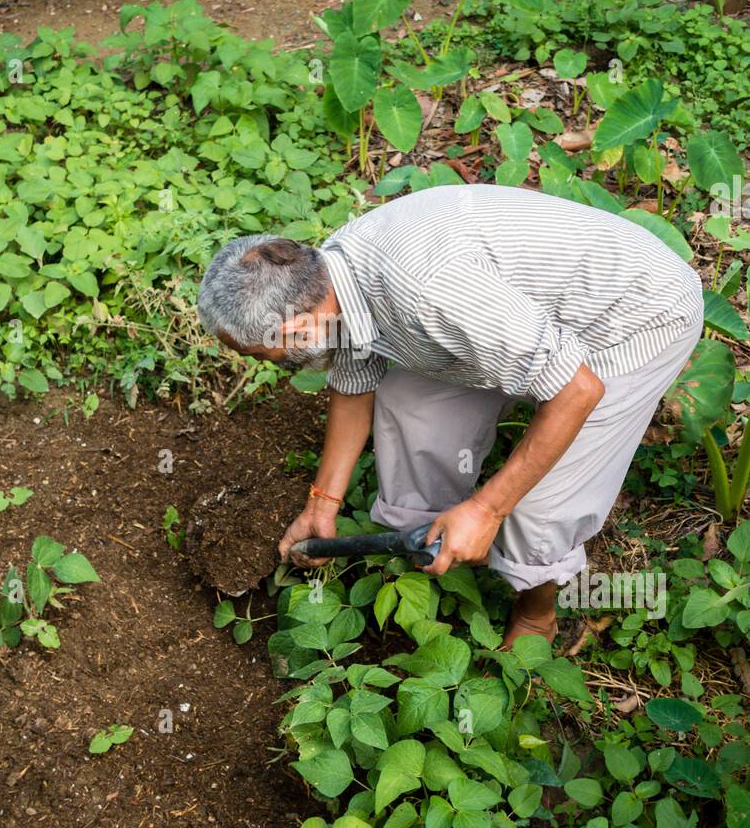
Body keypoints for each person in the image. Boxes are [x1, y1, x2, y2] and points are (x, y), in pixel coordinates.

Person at [197, 183, 704, 648]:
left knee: (538, 508)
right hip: (519, 319)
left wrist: (489, 510)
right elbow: (354, 385)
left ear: (299, 325)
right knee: (409, 407)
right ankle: (429, 543)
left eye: (260, 355)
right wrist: (322, 502)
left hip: (632, 316)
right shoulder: (328, 280)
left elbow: (577, 388)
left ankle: (536, 612)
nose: (265, 367)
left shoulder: (428, 289)